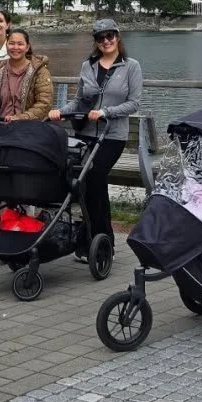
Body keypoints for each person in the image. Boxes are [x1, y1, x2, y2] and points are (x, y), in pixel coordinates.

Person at [48, 19, 143, 248]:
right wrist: (60, 111)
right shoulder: (87, 66)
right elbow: (80, 101)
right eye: (100, 38)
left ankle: (103, 238)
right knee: (82, 181)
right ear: (96, 42)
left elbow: (134, 104)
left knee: (96, 176)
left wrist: (105, 112)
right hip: (87, 134)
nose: (106, 41)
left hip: (112, 136)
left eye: (110, 36)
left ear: (117, 37)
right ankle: (89, 234)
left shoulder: (131, 66)